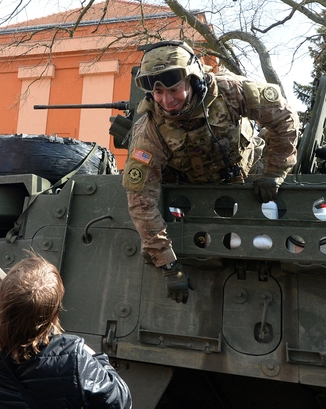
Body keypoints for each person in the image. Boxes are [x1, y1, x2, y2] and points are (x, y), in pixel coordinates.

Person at [122, 40, 299, 304]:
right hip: (195, 193)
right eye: (158, 93)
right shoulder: (149, 130)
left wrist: (274, 172)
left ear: (194, 80)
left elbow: (284, 117)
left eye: (174, 89)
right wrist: (168, 264)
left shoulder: (231, 91)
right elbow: (141, 199)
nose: (167, 101)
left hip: (248, 175)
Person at [0, 255, 132, 409]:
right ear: (53, 312)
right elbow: (116, 408)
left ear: (2, 302)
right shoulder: (72, 355)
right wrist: (97, 358)